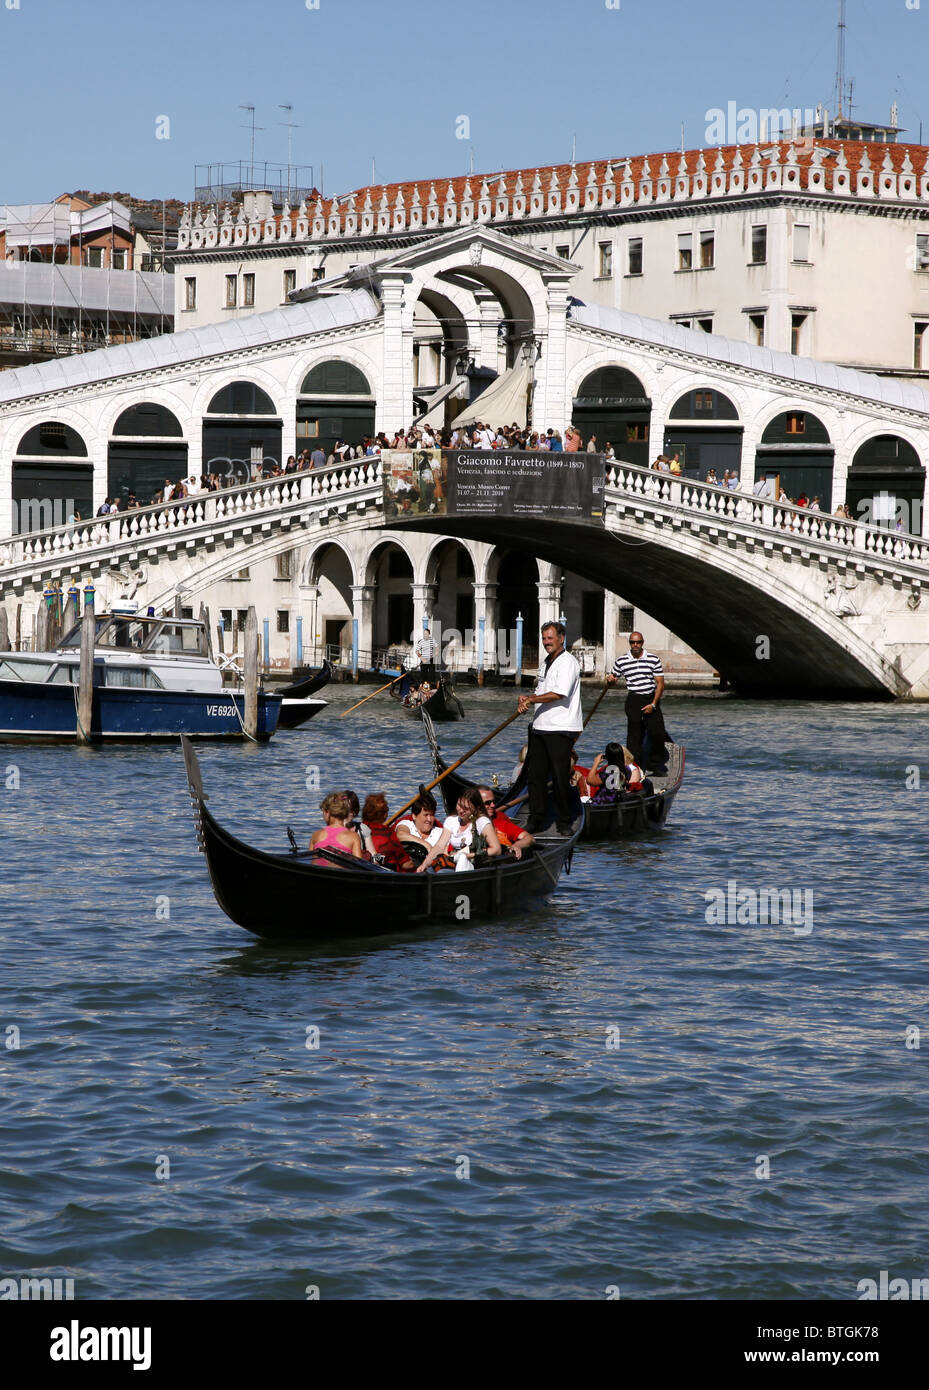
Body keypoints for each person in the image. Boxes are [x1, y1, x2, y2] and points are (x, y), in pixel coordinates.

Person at [517, 620, 582, 835]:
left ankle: (564, 821)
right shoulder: (546, 662)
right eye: (544, 639)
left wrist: (532, 699)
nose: (546, 642)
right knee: (535, 777)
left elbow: (559, 693)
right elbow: (543, 690)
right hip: (540, 726)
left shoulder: (568, 662)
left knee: (560, 776)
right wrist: (527, 699)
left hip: (561, 727)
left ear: (561, 638)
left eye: (550, 638)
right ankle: (536, 819)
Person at [607, 631, 669, 775]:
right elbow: (612, 678)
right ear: (630, 643)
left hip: (650, 698)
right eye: (632, 642)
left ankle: (655, 764)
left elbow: (660, 684)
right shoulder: (622, 661)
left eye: (638, 642)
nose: (635, 645)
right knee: (634, 736)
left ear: (642, 643)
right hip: (633, 700)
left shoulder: (653, 659)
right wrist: (610, 680)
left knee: (658, 733)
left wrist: (653, 704)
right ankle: (636, 768)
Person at [417, 787, 501, 873]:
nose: (461, 811)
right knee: (429, 871)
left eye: (466, 808)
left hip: (474, 866)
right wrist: (424, 865)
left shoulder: (482, 822)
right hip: (455, 863)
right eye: (459, 805)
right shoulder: (451, 821)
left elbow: (496, 849)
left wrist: (469, 855)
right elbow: (439, 846)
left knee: (441, 873)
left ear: (475, 809)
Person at [474, 786, 534, 859]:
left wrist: (517, 845)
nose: (493, 805)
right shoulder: (464, 821)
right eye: (488, 803)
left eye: (494, 802)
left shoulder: (499, 820)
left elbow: (529, 838)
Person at [360, 793, 414, 871]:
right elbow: (406, 864)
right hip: (385, 871)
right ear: (384, 815)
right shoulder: (388, 833)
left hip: (364, 867)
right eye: (387, 810)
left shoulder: (357, 828)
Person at [309, 792, 364, 860]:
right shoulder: (353, 837)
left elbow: (308, 860)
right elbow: (359, 864)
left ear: (327, 812)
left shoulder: (316, 835)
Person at [395, 792, 445, 862]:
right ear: (414, 816)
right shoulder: (407, 824)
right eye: (426, 815)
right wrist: (426, 845)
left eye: (432, 815)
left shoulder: (440, 832)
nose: (429, 819)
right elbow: (400, 834)